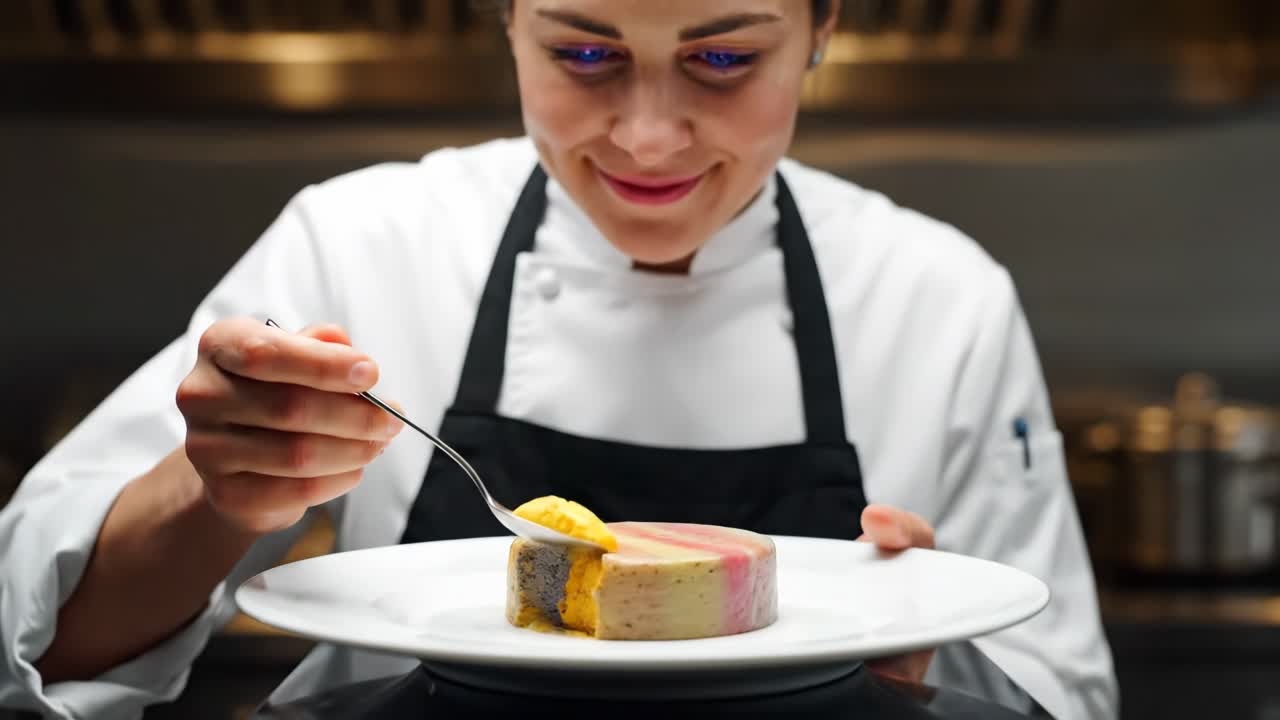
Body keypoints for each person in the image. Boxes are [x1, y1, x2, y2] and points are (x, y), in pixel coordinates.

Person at [0, 1, 1118, 718]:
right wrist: (215, 492)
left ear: (823, 27)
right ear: (507, 24)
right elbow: (46, 652)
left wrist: (922, 652)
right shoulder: (362, 241)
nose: (646, 135)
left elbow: (1056, 693)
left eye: (723, 58)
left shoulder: (939, 294)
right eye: (583, 53)